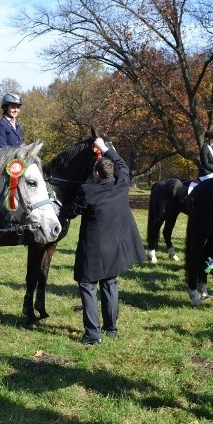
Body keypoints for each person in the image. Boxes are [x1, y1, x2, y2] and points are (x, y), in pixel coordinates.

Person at [65, 137, 146, 345]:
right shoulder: (122, 184)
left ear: (97, 174)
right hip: (116, 247)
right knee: (110, 283)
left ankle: (93, 333)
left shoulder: (88, 191)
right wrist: (105, 148)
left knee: (87, 285)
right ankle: (111, 329)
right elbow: (122, 165)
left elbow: (72, 211)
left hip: (93, 249)